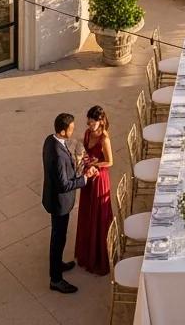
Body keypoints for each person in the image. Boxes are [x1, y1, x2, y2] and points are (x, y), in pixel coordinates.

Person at [42, 112, 98, 293]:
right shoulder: (58, 155)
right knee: (58, 239)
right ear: (62, 131)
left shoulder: (50, 140)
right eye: (71, 128)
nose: (73, 130)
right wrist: (85, 178)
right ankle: (56, 279)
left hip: (53, 198)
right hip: (60, 203)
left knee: (58, 236)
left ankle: (57, 264)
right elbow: (64, 184)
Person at [74, 105, 113, 275]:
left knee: (98, 215)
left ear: (101, 121)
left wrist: (95, 165)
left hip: (99, 179)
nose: (89, 126)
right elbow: (84, 152)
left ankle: (99, 256)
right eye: (88, 123)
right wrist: (84, 162)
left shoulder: (104, 139)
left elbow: (110, 162)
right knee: (86, 213)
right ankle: (86, 252)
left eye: (92, 123)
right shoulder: (88, 133)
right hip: (88, 177)